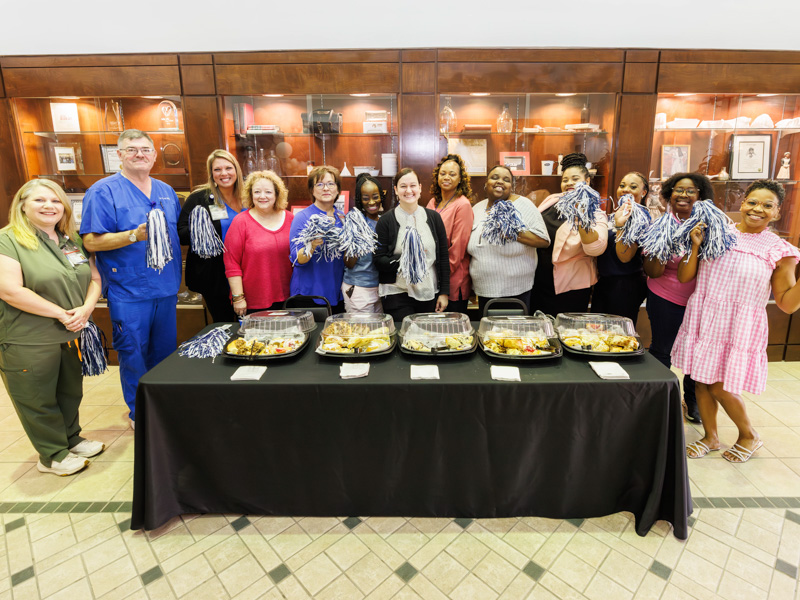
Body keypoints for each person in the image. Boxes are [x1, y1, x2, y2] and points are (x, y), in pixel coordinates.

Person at [672, 180, 800, 462]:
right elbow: (685, 277)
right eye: (753, 202)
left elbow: (787, 304)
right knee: (701, 381)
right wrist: (695, 246)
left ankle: (749, 435)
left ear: (777, 213)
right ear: (742, 203)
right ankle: (711, 436)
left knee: (721, 385)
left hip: (739, 324)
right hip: (705, 317)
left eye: (768, 205)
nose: (758, 209)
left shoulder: (780, 250)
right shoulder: (718, 233)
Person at [0, 180, 105, 476]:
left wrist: (85, 309)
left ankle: (70, 439)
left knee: (69, 392)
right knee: (37, 398)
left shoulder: (68, 239)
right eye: (40, 201)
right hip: (29, 337)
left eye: (56, 201)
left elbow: (94, 278)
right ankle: (51, 454)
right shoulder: (7, 240)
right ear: (22, 205)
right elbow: (9, 291)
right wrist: (62, 314)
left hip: (71, 331)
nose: (50, 206)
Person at [80, 129, 182, 428]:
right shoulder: (103, 191)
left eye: (146, 149)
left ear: (154, 155)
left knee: (164, 352)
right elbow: (91, 242)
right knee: (133, 352)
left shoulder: (165, 191)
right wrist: (132, 236)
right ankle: (141, 413)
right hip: (128, 289)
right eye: (132, 149)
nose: (140, 154)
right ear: (120, 155)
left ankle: (163, 406)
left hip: (165, 287)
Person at [643, 172, 714, 424]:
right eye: (678, 190)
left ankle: (692, 398)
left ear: (701, 196)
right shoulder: (658, 225)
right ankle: (658, 396)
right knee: (663, 348)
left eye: (691, 190)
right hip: (665, 296)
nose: (684, 195)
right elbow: (652, 271)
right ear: (669, 195)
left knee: (697, 352)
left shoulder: (712, 226)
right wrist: (661, 245)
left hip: (703, 301)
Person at [530, 153, 608, 316]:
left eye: (575, 179)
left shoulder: (595, 213)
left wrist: (581, 216)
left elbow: (595, 249)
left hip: (571, 286)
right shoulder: (552, 199)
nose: (569, 183)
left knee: (567, 333)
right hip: (540, 281)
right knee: (540, 332)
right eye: (565, 180)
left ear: (587, 181)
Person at [467, 165, 550, 314]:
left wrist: (512, 232)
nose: (500, 182)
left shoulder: (523, 205)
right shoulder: (476, 209)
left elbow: (543, 240)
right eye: (495, 177)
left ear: (511, 186)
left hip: (516, 292)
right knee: (489, 334)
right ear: (486, 183)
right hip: (483, 291)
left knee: (513, 336)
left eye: (506, 180)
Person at [177, 150, 244, 322]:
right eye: (217, 169)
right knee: (225, 323)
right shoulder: (199, 199)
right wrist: (201, 228)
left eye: (228, 168)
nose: (224, 173)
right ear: (211, 173)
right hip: (215, 276)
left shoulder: (249, 196)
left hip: (248, 270)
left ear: (237, 170)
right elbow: (181, 235)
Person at [374, 168, 450, 320]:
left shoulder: (434, 218)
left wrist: (444, 293)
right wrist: (407, 259)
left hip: (428, 291)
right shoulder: (385, 221)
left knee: (426, 338)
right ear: (396, 190)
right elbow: (378, 260)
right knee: (403, 337)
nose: (408, 190)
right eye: (403, 186)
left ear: (420, 188)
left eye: (413, 185)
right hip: (396, 292)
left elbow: (443, 257)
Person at [225, 171, 293, 316]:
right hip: (254, 301)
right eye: (257, 192)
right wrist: (238, 298)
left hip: (289, 298)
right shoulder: (240, 222)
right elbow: (232, 263)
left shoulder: (291, 219)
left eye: (268, 192)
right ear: (250, 195)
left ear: (276, 194)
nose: (263, 196)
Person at [591, 171, 650, 325]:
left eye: (633, 186)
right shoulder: (613, 216)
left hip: (625, 286)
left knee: (618, 336)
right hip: (604, 283)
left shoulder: (640, 219)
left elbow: (624, 257)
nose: (625, 189)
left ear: (643, 193)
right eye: (622, 185)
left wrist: (621, 225)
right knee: (597, 332)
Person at [289, 165, 345, 313]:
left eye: (330, 184)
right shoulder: (303, 217)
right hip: (309, 294)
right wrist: (311, 245)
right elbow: (297, 259)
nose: (325, 188)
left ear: (338, 189)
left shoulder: (343, 218)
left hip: (336, 293)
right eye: (319, 184)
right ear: (312, 190)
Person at [425, 154, 474, 314]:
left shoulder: (462, 205)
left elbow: (457, 252)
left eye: (452, 174)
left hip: (452, 283)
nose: (446, 177)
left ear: (460, 179)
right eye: (443, 173)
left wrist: (441, 279)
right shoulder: (433, 202)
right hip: (431, 278)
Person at [342, 173, 383, 313]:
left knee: (378, 333)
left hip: (380, 289)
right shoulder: (354, 221)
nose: (371, 202)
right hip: (358, 289)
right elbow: (349, 262)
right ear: (360, 200)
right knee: (361, 333)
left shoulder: (384, 221)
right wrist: (358, 237)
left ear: (382, 196)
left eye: (375, 197)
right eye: (366, 198)